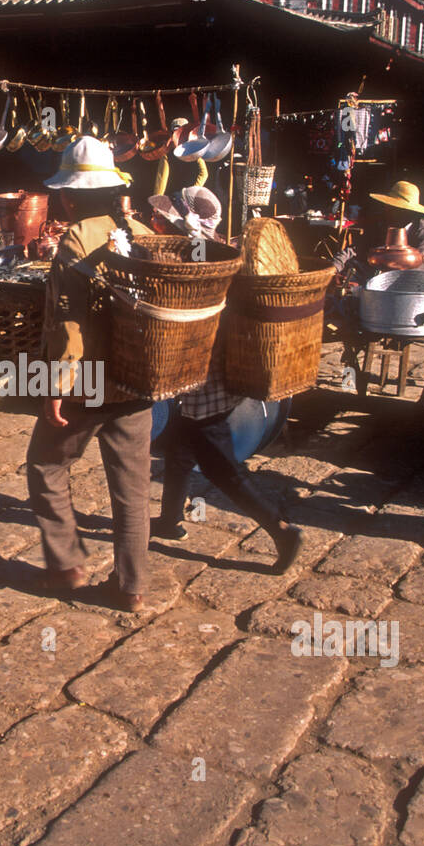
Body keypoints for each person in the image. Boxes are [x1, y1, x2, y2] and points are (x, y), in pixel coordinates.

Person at [26, 135, 155, 613]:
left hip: (90, 380)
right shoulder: (140, 230)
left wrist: (55, 387)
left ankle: (66, 566)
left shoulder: (76, 240)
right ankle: (132, 587)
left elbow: (69, 324)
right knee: (132, 489)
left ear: (68, 196)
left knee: (45, 464)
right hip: (138, 377)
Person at [150, 202, 305, 572]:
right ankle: (170, 520)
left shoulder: (202, 265)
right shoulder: (214, 253)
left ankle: (280, 529)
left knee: (224, 470)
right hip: (211, 386)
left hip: (207, 386)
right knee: (180, 451)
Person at [368, 181, 424, 272]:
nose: (388, 211)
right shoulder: (384, 225)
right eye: (389, 207)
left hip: (417, 280)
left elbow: (419, 269)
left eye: (395, 209)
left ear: (409, 212)